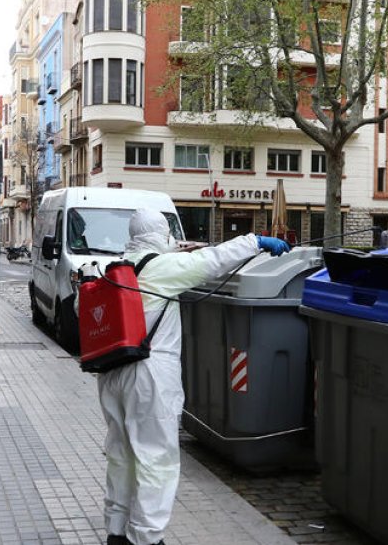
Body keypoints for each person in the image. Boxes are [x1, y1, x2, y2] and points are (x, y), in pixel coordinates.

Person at [95, 209, 289, 545]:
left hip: (111, 371)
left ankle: (117, 531)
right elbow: (213, 260)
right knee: (156, 457)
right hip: (149, 375)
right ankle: (147, 538)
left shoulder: (112, 268)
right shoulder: (163, 268)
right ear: (160, 232)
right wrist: (255, 241)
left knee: (121, 453)